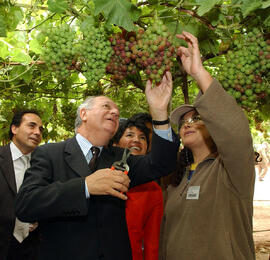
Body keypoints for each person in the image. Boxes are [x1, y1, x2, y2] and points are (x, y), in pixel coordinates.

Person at [15, 73, 180, 260]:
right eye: (106, 106)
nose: (115, 113)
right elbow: (26, 204)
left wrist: (159, 112)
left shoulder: (123, 157)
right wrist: (85, 186)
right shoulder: (49, 153)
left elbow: (161, 164)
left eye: (117, 112)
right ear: (83, 114)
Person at [159, 31, 255, 260]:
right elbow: (166, 236)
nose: (187, 124)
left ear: (214, 126)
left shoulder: (232, 171)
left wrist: (199, 73)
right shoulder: (175, 178)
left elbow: (236, 133)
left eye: (196, 119)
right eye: (183, 122)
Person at [112, 118, 163, 260]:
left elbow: (151, 242)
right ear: (115, 144)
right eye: (129, 135)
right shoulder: (99, 176)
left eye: (142, 138)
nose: (136, 140)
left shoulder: (153, 189)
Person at [0, 110, 43, 260]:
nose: (37, 132)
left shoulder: (43, 163)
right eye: (32, 126)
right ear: (14, 129)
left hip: (32, 246)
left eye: (40, 129)